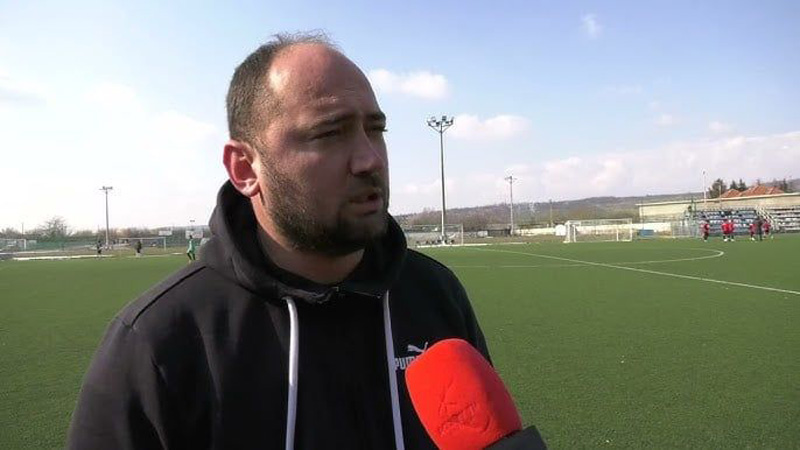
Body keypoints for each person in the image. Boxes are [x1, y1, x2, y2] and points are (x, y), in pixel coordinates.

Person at [68, 33, 490, 449]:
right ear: (245, 168)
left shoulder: (436, 295)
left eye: (375, 129)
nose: (370, 159)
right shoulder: (158, 339)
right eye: (330, 133)